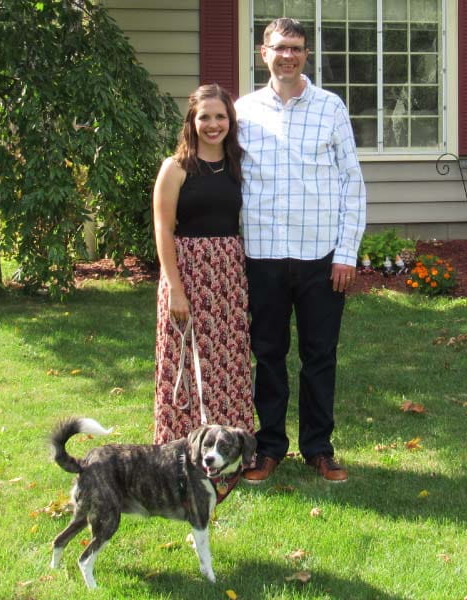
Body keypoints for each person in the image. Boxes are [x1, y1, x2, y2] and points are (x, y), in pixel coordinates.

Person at [235, 18, 366, 482]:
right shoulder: (243, 111)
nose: (287, 56)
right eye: (279, 48)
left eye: (296, 48)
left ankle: (318, 448)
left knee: (320, 355)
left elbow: (352, 183)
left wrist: (346, 253)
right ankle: (268, 447)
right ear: (262, 52)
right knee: (267, 354)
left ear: (305, 54)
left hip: (320, 258)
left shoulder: (330, 107)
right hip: (263, 256)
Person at [152, 84, 254, 443]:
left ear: (230, 120)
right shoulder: (176, 168)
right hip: (188, 272)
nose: (213, 124)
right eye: (205, 117)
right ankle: (178, 444)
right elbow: (163, 229)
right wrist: (175, 290)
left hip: (228, 274)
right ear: (191, 122)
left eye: (220, 116)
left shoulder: (238, 165)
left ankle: (229, 445)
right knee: (182, 356)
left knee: (229, 360)